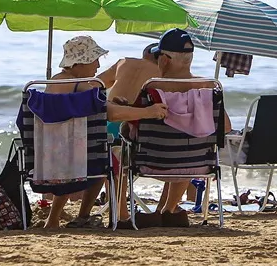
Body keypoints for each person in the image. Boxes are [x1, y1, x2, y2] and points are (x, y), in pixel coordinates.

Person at [43, 36, 166, 228]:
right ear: (80, 62)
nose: (99, 65)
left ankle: (56, 219)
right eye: (95, 59)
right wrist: (149, 111)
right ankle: (121, 216)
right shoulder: (81, 85)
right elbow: (112, 114)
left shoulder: (54, 82)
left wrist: (108, 103)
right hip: (78, 154)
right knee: (110, 161)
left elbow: (99, 104)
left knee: (101, 154)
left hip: (54, 152)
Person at [112, 28, 231, 227]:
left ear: (165, 59)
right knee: (187, 138)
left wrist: (124, 109)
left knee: (119, 151)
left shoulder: (153, 88)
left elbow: (131, 127)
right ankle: (168, 209)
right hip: (198, 165)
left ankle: (122, 216)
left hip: (152, 163)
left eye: (158, 56)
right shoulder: (209, 88)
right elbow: (225, 127)